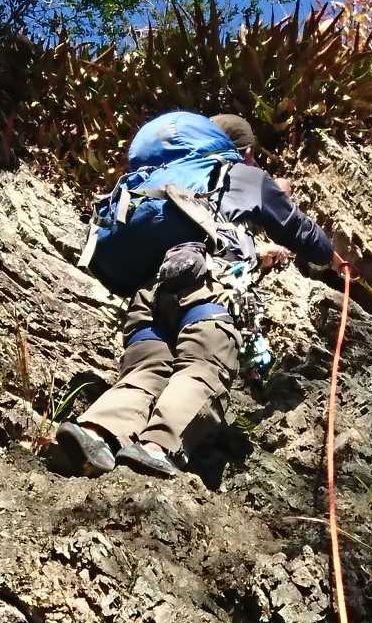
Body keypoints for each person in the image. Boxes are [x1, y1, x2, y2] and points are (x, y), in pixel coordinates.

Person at [58, 113, 345, 479]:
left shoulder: (164, 179)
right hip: (208, 292)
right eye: (253, 154)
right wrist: (333, 258)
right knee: (204, 367)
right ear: (243, 150)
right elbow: (298, 229)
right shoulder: (242, 175)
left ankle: (96, 432)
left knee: (147, 370)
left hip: (148, 297)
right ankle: (157, 448)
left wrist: (257, 254)